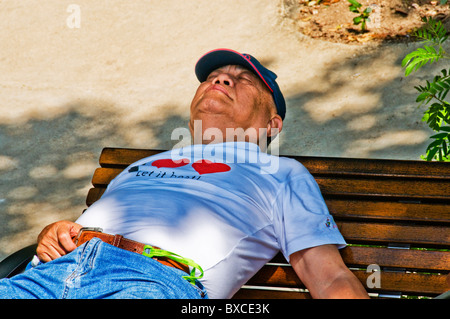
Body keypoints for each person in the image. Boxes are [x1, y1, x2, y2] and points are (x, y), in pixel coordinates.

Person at [0, 48, 368, 299]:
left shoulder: (282, 172)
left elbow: (329, 276)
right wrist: (53, 232)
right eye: (214, 76)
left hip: (151, 281)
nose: (221, 80)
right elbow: (90, 224)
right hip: (46, 276)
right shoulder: (140, 167)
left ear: (273, 123)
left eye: (243, 79)